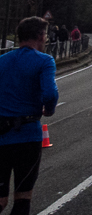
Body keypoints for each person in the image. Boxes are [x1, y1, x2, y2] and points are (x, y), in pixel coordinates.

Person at [0, 17, 58, 215]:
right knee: (22, 197)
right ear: (40, 36)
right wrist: (49, 109)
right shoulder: (44, 61)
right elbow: (50, 93)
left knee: (0, 199)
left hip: (1, 134)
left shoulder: (2, 60)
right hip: (27, 135)